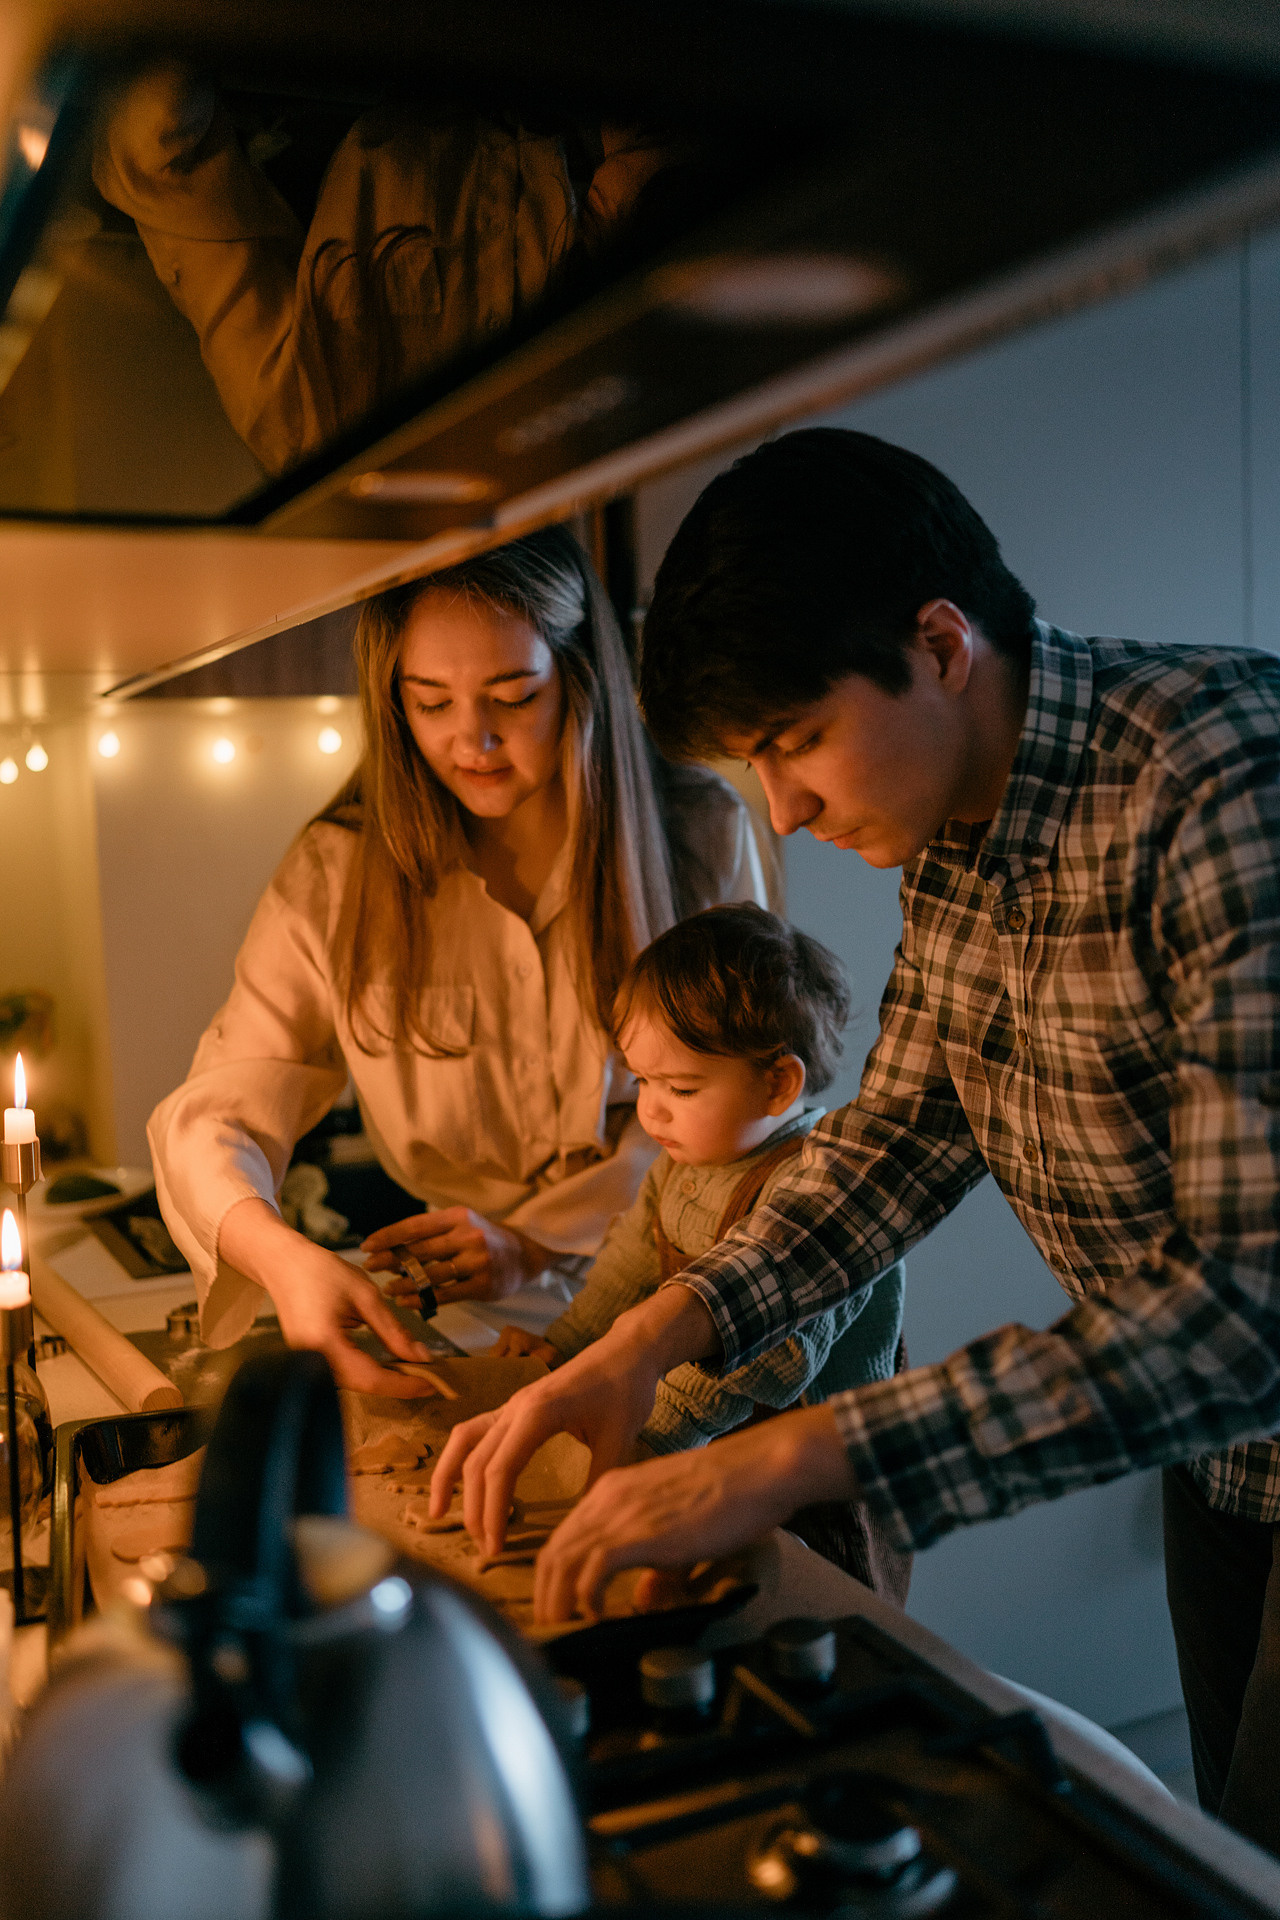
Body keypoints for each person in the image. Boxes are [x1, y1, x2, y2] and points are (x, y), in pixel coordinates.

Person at [431, 428, 1280, 1852]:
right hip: (1222, 1466)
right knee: (1235, 1851)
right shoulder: (959, 830)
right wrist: (647, 1340)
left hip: (1243, 1388)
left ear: (940, 644)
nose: (788, 810)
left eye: (797, 740)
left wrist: (792, 1458)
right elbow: (894, 1139)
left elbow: (1252, 1312)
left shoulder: (1222, 783)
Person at [148, 526, 770, 1395]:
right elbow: (216, 1111)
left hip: (682, 1302)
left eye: (513, 696)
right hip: (470, 1322)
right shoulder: (337, 873)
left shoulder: (698, 838)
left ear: (579, 681)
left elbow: (745, 1105)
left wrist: (534, 1241)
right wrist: (281, 1257)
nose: (472, 739)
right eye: (431, 702)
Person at [497, 901, 909, 1597]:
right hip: (712, 1449)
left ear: (778, 1084)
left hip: (818, 1481)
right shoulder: (684, 1155)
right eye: (643, 1082)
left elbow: (772, 1362)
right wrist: (567, 1350)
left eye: (681, 1087)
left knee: (807, 1620)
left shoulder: (827, 1189)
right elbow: (628, 1269)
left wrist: (651, 1442)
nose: (652, 1110)